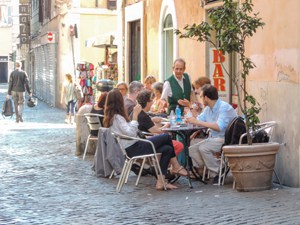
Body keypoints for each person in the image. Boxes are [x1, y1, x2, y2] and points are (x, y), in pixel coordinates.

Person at [103, 89, 188, 190]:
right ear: (119, 102)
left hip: (134, 146)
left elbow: (129, 130)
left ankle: (161, 182)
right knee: (166, 137)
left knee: (167, 149)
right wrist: (135, 116)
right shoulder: (117, 118)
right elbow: (130, 132)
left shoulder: (115, 117)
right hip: (134, 148)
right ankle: (176, 166)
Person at [186, 84, 237, 184]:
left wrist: (197, 122)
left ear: (206, 98)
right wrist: (189, 119)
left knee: (203, 148)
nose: (200, 99)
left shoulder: (224, 108)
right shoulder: (208, 109)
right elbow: (198, 120)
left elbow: (219, 127)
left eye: (201, 96)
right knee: (191, 149)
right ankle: (211, 168)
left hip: (226, 139)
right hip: (214, 138)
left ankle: (217, 172)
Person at [136, 90, 184, 156]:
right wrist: (167, 125)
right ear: (147, 102)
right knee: (178, 145)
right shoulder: (143, 116)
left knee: (168, 147)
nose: (152, 102)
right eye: (151, 100)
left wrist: (152, 120)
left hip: (143, 141)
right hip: (147, 143)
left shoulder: (138, 113)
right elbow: (159, 131)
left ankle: (172, 165)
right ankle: (173, 165)